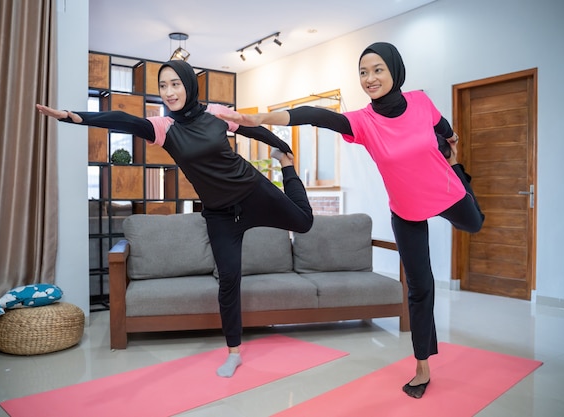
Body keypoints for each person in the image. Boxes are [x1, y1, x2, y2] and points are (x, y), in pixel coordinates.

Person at [216, 42, 485, 398]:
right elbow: (313, 114)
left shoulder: (421, 101)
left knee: (474, 223)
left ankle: (459, 174)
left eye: (377, 70)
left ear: (394, 71)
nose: (369, 78)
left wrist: (449, 141)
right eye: (363, 72)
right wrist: (258, 119)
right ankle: (422, 368)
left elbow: (443, 126)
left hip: (447, 190)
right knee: (421, 288)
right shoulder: (363, 121)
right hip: (406, 209)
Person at [37, 59, 314, 378]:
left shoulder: (217, 113)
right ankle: (233, 352)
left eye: (175, 84)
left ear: (188, 84)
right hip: (220, 215)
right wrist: (75, 116)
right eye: (163, 86)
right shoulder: (163, 129)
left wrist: (282, 149)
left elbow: (252, 126)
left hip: (252, 191)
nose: (169, 92)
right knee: (229, 280)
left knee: (305, 223)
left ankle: (287, 169)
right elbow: (124, 120)